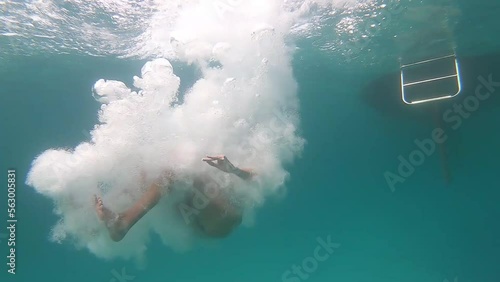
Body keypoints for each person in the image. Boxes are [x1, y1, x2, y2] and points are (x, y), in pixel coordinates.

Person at [94, 155, 255, 242]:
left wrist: (233, 169)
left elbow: (256, 176)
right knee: (150, 175)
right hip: (191, 218)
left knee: (177, 170)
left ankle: (123, 221)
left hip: (221, 221)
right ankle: (94, 223)